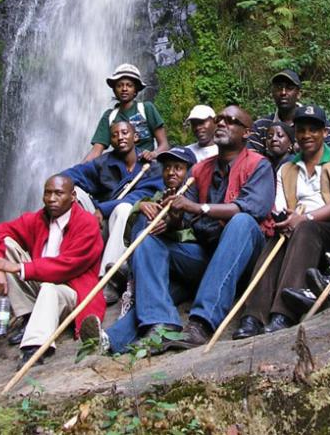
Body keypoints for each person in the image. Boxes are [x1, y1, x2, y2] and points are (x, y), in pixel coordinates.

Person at [95, 106, 275, 354]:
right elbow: (184, 220)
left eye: (230, 121)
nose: (222, 123)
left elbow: (252, 209)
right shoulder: (200, 170)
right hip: (206, 256)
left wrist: (196, 207)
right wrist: (173, 218)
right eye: (220, 119)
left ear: (246, 133)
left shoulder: (259, 165)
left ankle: (201, 323)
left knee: (242, 222)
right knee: (148, 240)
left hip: (243, 258)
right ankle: (156, 324)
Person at [233, 106, 330, 338]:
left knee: (305, 228)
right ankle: (253, 316)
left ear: (324, 132)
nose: (307, 135)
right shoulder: (286, 169)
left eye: (314, 129)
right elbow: (281, 208)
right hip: (299, 225)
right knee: (276, 239)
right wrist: (286, 221)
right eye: (301, 130)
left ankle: (284, 312)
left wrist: (305, 218)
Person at [79, 146, 198, 349]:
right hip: (168, 271)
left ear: (189, 172)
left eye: (178, 168)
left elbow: (198, 229)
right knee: (153, 301)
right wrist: (140, 206)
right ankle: (109, 341)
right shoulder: (159, 195)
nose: (171, 172)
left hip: (193, 263)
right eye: (167, 167)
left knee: (147, 238)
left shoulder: (196, 193)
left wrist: (174, 223)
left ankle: (131, 275)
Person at [0, 174, 104, 366]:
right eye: (48, 193)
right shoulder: (38, 219)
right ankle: (30, 316)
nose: (52, 199)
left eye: (58, 193)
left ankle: (35, 347)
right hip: (40, 281)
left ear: (72, 196)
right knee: (6, 244)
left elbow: (66, 266)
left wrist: (18, 267)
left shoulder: (87, 224)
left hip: (71, 290)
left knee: (49, 288)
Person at [62, 120, 163, 304]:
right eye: (115, 135)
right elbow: (75, 174)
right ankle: (68, 260)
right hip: (99, 222)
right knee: (72, 192)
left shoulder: (152, 166)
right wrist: (57, 185)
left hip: (125, 228)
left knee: (124, 208)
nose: (120, 137)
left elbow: (143, 195)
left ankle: (107, 279)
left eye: (125, 133)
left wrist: (103, 208)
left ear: (136, 137)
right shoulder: (104, 162)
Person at [83, 63, 169, 162]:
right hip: (120, 170)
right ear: (114, 90)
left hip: (146, 167)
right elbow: (96, 151)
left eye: (129, 85)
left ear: (135, 90)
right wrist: (75, 172)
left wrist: (153, 154)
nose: (124, 89)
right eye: (119, 85)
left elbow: (164, 145)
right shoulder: (109, 116)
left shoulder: (146, 109)